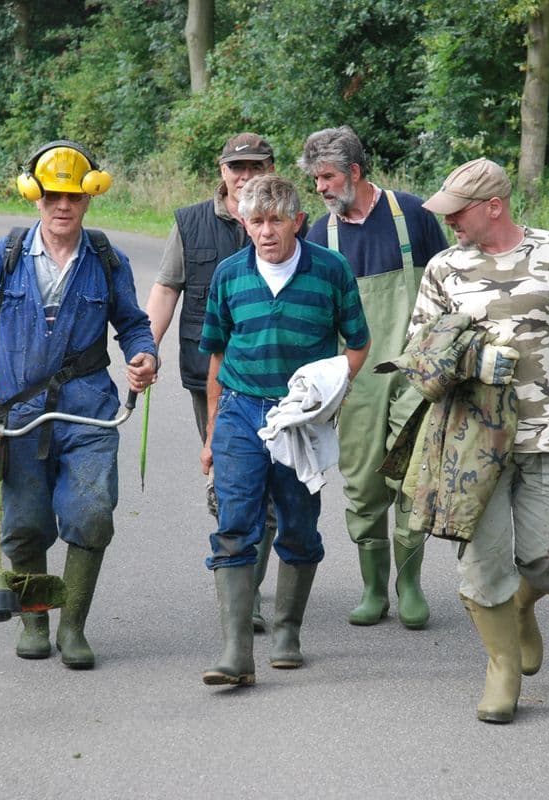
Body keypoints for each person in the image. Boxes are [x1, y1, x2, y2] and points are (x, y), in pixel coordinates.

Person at [0, 140, 158, 670]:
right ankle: (35, 619)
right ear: (35, 197)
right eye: (53, 195)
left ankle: (73, 627)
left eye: (74, 197)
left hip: (89, 409)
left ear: (88, 199)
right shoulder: (4, 255)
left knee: (92, 514)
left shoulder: (106, 259)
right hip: (19, 414)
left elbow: (133, 323)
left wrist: (143, 356)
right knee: (25, 526)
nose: (63, 206)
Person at [413, 157, 549, 723]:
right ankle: (502, 668)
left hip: (545, 431)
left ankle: (523, 607)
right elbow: (421, 353)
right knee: (485, 564)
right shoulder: (443, 268)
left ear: (493, 206)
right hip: (473, 440)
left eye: (458, 211)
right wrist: (475, 359)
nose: (449, 221)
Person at [197, 174, 371, 686]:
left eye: (276, 220)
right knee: (234, 523)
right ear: (243, 224)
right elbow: (217, 355)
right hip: (240, 411)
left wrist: (325, 393)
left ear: (298, 221)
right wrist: (212, 435)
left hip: (301, 420)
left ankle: (288, 630)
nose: (266, 231)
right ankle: (235, 651)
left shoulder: (331, 271)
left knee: (297, 524)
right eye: (256, 221)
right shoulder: (229, 276)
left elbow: (357, 344)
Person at [298, 126, 448, 629]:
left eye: (326, 176)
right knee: (362, 483)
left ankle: (409, 585)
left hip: (413, 371)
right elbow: (317, 315)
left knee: (411, 477)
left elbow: (450, 288)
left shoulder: (414, 216)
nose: (319, 187)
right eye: (315, 179)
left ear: (355, 172)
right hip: (357, 379)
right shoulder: (320, 235)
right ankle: (371, 589)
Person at [145, 132, 290, 634]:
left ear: (271, 168)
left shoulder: (294, 220)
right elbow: (166, 287)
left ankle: (246, 594)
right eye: (236, 167)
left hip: (279, 380)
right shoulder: (190, 222)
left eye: (255, 166)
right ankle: (239, 576)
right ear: (222, 171)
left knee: (268, 492)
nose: (245, 175)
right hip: (206, 374)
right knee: (232, 485)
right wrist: (147, 346)